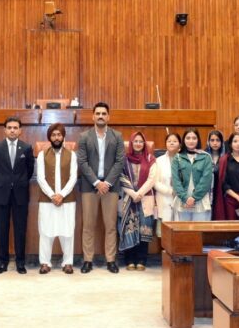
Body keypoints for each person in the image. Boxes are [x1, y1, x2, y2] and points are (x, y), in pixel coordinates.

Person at [76, 102, 125, 274]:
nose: (101, 116)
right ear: (93, 116)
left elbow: (120, 162)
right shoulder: (84, 136)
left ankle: (111, 260)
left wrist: (107, 183)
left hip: (110, 187)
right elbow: (82, 162)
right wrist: (97, 182)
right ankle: (87, 260)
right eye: (97, 113)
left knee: (110, 225)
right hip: (90, 186)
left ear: (108, 116)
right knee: (88, 225)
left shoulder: (117, 136)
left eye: (104, 113)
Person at [0, 116, 34, 274]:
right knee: (2, 229)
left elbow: (29, 171)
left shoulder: (26, 148)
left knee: (20, 230)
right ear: (5, 130)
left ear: (20, 131)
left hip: (20, 195)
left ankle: (20, 262)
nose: (12, 130)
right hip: (1, 194)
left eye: (15, 128)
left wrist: (18, 182)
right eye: (9, 127)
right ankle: (2, 262)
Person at [35, 123, 78, 274]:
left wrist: (62, 195)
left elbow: (73, 178)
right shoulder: (42, 154)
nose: (56, 137)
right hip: (47, 199)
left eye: (59, 135)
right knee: (45, 231)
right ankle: (45, 263)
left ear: (63, 136)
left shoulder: (72, 155)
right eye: (53, 135)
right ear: (49, 138)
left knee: (67, 231)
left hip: (67, 199)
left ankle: (67, 263)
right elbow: (40, 178)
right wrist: (53, 195)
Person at [118, 132, 156, 271]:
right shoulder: (124, 159)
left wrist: (139, 193)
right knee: (129, 228)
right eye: (136, 141)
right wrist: (133, 194)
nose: (138, 143)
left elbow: (152, 179)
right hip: (128, 198)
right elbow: (121, 178)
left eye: (141, 141)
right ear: (131, 143)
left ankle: (141, 260)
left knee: (143, 230)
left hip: (145, 198)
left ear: (144, 144)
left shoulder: (151, 158)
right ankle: (129, 260)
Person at [171, 128, 214, 221]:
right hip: (183, 200)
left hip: (200, 200)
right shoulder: (177, 157)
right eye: (188, 138)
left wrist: (194, 198)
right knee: (184, 232)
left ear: (198, 140)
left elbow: (206, 180)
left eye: (194, 138)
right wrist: (185, 198)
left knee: (200, 232)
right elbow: (175, 180)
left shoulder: (206, 157)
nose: (191, 141)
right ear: (184, 140)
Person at [153, 133, 181, 234]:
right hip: (164, 198)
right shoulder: (158, 161)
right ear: (165, 144)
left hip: (180, 199)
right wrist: (170, 191)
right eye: (169, 141)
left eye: (174, 141)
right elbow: (155, 182)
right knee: (165, 234)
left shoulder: (184, 160)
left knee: (180, 232)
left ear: (180, 144)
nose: (171, 143)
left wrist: (180, 191)